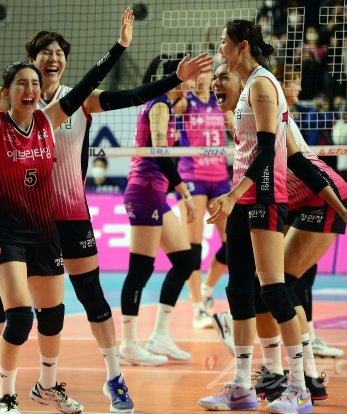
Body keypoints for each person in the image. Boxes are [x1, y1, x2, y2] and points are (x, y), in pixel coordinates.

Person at [0, 11, 212, 414]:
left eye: (60, 53)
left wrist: (168, 77)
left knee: (89, 297)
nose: (54, 58)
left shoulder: (77, 102)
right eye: (46, 53)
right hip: (23, 219)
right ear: (32, 61)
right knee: (1, 304)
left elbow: (131, 95)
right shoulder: (10, 101)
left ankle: (113, 379)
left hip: (71, 215)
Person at [209, 62, 347, 406]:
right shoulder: (238, 115)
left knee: (279, 287)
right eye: (213, 80)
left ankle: (306, 379)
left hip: (319, 196)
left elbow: (300, 164)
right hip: (286, 200)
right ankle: (276, 373)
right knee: (263, 288)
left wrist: (340, 208)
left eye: (223, 77)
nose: (216, 84)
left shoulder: (268, 112)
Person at [197, 20, 311, 413]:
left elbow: (266, 150)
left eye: (224, 44)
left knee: (273, 289)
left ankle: (299, 389)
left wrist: (232, 195)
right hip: (243, 199)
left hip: (264, 196)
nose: (220, 51)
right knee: (238, 289)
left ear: (242, 46)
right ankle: (242, 386)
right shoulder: (245, 87)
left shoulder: (262, 84)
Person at [119, 56, 197, 366]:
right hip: (145, 191)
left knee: (185, 261)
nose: (192, 82)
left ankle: (161, 335)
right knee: (140, 269)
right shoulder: (160, 106)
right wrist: (185, 192)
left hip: (155, 194)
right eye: (188, 76)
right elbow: (160, 153)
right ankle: (128, 344)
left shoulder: (169, 106)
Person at [173, 66, 230, 329]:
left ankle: (206, 290)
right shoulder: (185, 102)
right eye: (197, 74)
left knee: (232, 244)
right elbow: (166, 111)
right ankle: (197, 307)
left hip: (219, 178)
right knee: (193, 247)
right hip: (192, 176)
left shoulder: (221, 104)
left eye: (206, 74)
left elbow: (237, 128)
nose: (202, 78)